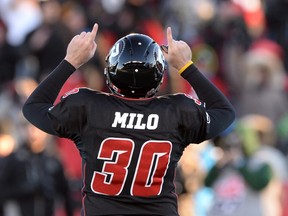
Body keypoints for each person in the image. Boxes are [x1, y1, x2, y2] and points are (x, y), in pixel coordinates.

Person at [22, 23, 235, 216]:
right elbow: (224, 112)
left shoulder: (87, 106)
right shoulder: (177, 111)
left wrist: (71, 61)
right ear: (158, 76)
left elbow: (34, 107)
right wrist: (186, 66)